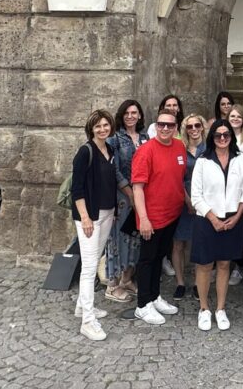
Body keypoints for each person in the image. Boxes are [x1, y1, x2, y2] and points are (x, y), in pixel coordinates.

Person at [190, 119, 243, 331]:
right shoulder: (203, 161)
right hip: (207, 219)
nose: (223, 138)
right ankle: (204, 309)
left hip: (233, 217)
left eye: (226, 135)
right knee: (205, 264)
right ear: (212, 138)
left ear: (231, 137)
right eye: (218, 135)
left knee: (225, 264)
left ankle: (221, 308)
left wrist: (238, 215)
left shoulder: (240, 159)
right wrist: (213, 218)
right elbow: (195, 195)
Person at [131, 109, 186, 325]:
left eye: (170, 125)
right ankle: (143, 305)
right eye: (162, 124)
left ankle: (154, 296)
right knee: (147, 260)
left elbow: (177, 180)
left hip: (172, 215)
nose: (165, 128)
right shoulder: (146, 151)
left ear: (175, 127)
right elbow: (137, 188)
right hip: (151, 219)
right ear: (156, 125)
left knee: (159, 258)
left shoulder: (179, 147)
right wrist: (143, 219)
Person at [71, 109, 118, 341]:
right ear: (91, 129)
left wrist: (115, 211)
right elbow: (76, 189)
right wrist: (85, 217)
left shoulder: (110, 149)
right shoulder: (85, 151)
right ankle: (87, 321)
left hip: (107, 212)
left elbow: (110, 183)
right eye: (98, 126)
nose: (102, 129)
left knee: (96, 256)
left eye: (105, 125)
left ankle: (82, 305)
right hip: (89, 216)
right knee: (89, 268)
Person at [105, 100, 149, 303]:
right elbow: (112, 168)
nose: (131, 116)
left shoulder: (145, 137)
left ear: (140, 115)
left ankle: (127, 278)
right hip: (122, 197)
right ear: (122, 116)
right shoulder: (114, 138)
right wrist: (129, 192)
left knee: (136, 238)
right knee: (118, 239)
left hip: (143, 195)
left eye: (135, 112)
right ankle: (112, 284)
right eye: (127, 113)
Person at [172, 114, 207, 301]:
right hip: (182, 199)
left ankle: (196, 282)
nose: (194, 129)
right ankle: (179, 282)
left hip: (203, 201)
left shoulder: (209, 149)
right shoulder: (180, 148)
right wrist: (187, 200)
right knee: (178, 242)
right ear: (185, 129)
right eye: (190, 126)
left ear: (202, 127)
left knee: (198, 243)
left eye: (197, 125)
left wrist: (199, 201)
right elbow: (176, 177)